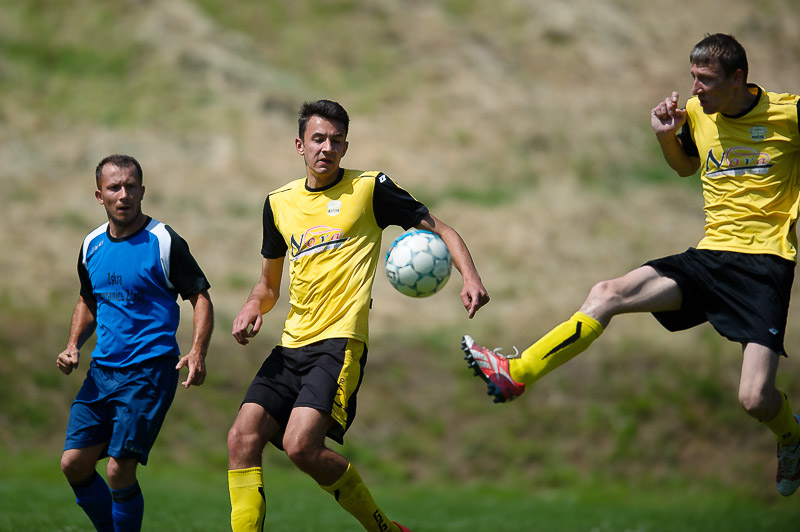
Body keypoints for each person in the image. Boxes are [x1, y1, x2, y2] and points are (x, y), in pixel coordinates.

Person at [461, 33, 800, 497]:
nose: (695, 89)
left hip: (763, 266)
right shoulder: (698, 113)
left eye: (705, 80)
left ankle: (791, 436)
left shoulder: (789, 115)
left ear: (737, 78)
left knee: (755, 399)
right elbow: (685, 166)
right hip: (709, 256)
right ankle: (516, 374)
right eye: (693, 77)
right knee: (607, 294)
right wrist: (665, 136)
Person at [227, 99, 489, 531]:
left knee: (300, 447)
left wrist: (471, 278)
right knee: (241, 438)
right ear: (300, 145)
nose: (326, 148)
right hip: (290, 344)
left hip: (338, 344)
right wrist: (253, 305)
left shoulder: (370, 189)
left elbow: (442, 229)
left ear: (345, 147)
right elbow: (268, 285)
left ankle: (384, 528)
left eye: (336, 140)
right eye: (318, 139)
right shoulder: (278, 203)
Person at [57, 154, 214, 531]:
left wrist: (197, 351)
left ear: (142, 191)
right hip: (102, 372)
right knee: (74, 463)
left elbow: (200, 297)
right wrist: (73, 344)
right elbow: (88, 300)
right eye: (114, 187)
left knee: (118, 469)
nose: (123, 194)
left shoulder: (163, 241)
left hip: (149, 371)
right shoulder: (91, 244)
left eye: (130, 186)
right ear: (100, 195)